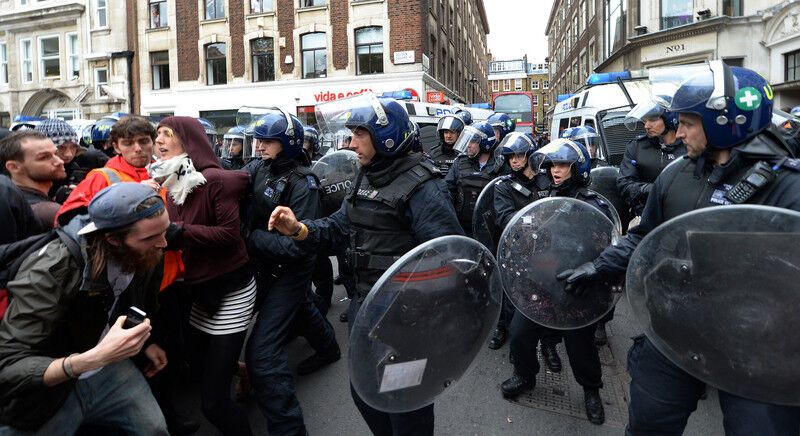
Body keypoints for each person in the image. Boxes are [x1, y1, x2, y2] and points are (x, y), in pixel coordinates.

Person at [558, 62, 800, 435]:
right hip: (676, 327)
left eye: (688, 122)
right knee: (648, 422)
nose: (679, 131)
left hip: (756, 347)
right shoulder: (676, 175)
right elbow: (646, 235)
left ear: (724, 122)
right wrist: (600, 265)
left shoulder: (788, 189)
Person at [268, 96, 463, 436]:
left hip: (406, 323)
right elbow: (341, 227)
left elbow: (451, 259)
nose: (351, 141)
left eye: (360, 133)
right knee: (365, 395)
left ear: (386, 137)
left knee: (405, 406)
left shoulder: (423, 187)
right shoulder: (367, 176)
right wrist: (299, 229)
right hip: (365, 308)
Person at [0, 182, 170, 435]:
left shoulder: (146, 248)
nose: (163, 243)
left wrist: (146, 342)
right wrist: (95, 358)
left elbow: (133, 301)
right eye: (151, 238)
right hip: (51, 387)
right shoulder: (52, 270)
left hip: (109, 368)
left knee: (154, 429)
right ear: (113, 239)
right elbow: (8, 366)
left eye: (165, 231)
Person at [146, 117, 254, 435]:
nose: (159, 140)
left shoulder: (216, 180)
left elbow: (228, 235)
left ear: (189, 140)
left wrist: (177, 232)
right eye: (158, 135)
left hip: (231, 287)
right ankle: (242, 371)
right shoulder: (169, 180)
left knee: (212, 404)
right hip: (199, 289)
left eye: (168, 134)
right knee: (196, 358)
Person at [242, 109, 340, 435]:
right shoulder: (260, 168)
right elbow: (229, 177)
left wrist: (252, 238)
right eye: (258, 140)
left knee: (263, 353)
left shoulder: (304, 184)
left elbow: (300, 247)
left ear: (288, 142)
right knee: (302, 309)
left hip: (293, 269)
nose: (259, 146)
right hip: (267, 264)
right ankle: (329, 349)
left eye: (267, 141)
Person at [501, 138, 607, 425]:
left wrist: (592, 270)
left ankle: (591, 390)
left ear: (577, 167)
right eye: (552, 165)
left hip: (576, 286)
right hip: (541, 283)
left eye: (562, 164)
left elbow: (606, 246)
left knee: (580, 345)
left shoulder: (592, 204)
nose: (556, 170)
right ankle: (525, 375)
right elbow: (526, 236)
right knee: (520, 335)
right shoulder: (542, 198)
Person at [489, 133, 562, 371]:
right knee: (512, 293)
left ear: (530, 156)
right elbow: (503, 217)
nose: (514, 161)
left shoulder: (546, 179)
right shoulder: (504, 186)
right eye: (510, 157)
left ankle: (550, 344)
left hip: (546, 251)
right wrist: (534, 220)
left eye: (519, 155)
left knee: (549, 295)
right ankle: (504, 330)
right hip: (518, 248)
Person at [56, 115, 156, 227]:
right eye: (128, 143)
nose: (138, 148)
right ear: (117, 147)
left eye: (144, 141)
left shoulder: (168, 172)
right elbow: (65, 219)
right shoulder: (102, 177)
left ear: (153, 142)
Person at [617, 99, 687, 216]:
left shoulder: (689, 146)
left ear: (670, 119)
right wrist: (649, 189)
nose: (646, 125)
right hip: (645, 215)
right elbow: (624, 184)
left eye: (653, 120)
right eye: (645, 120)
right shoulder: (637, 146)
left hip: (681, 215)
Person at [445, 121, 508, 237]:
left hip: (490, 230)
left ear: (485, 143)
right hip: (462, 228)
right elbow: (447, 191)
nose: (468, 145)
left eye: (472, 141)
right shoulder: (459, 163)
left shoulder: (501, 166)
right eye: (467, 140)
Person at [0, 130, 66, 230]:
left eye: (56, 154)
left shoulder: (12, 201)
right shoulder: (47, 212)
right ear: (14, 167)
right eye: (44, 157)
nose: (59, 161)